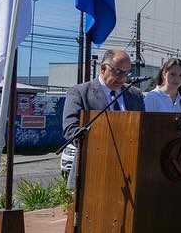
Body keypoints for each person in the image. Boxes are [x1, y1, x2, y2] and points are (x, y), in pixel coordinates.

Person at [61, 49, 144, 190]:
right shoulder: (80, 92)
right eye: (118, 72)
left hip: (129, 170)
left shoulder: (135, 94)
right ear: (103, 68)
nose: (123, 78)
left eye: (126, 73)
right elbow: (70, 129)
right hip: (93, 170)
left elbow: (143, 128)